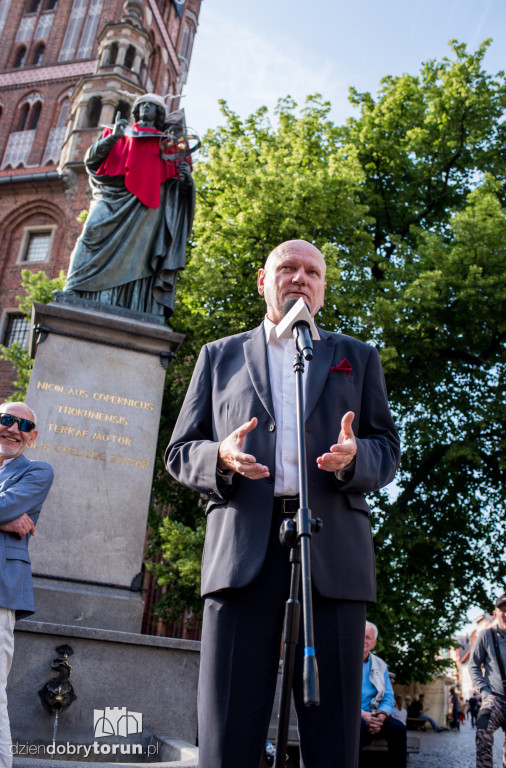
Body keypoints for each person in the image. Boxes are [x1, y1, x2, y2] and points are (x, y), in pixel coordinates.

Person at [166, 240, 400, 768]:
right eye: (287, 268)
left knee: (334, 734)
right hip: (242, 550)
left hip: (332, 550)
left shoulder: (356, 358)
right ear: (262, 279)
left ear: (322, 286)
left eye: (312, 271)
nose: (300, 278)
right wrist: (221, 458)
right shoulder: (220, 355)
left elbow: (386, 451)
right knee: (228, 726)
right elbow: (180, 452)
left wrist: (353, 456)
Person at [63, 93, 195, 319]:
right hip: (112, 196)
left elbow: (179, 189)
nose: (144, 108)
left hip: (148, 208)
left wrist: (185, 180)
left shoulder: (169, 144)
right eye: (141, 105)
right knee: (90, 235)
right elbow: (91, 161)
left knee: (140, 257)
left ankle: (134, 303)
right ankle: (75, 288)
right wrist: (113, 138)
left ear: (160, 113)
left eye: (151, 106)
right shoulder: (116, 133)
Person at [0, 402, 54, 768]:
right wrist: (4, 520)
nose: (13, 428)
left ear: (32, 436)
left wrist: (5, 514)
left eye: (23, 424)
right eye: (6, 419)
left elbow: (8, 507)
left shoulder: (37, 471)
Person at [469, 594, 506, 768]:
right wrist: (484, 691)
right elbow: (473, 666)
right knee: (483, 732)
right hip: (495, 698)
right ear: (495, 613)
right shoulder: (487, 636)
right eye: (503, 611)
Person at [360, 622, 407, 768]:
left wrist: (382, 715)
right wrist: (362, 715)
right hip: (353, 716)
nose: (364, 641)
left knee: (398, 729)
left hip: (376, 715)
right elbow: (339, 698)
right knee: (358, 728)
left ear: (374, 643)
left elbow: (388, 697)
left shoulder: (380, 665)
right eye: (361, 636)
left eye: (368, 638)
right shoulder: (344, 661)